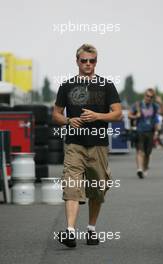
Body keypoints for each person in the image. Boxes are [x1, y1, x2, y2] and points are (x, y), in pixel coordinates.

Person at [52, 44, 122, 247]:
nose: (88, 64)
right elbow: (56, 114)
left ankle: (91, 230)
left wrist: (98, 116)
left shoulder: (106, 85)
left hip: (98, 144)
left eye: (92, 61)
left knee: (97, 188)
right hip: (74, 144)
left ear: (96, 62)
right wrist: (68, 121)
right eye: (84, 61)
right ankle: (70, 231)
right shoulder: (66, 86)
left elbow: (117, 113)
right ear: (77, 62)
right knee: (72, 186)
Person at [128, 88, 162, 179]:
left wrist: (161, 103)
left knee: (147, 153)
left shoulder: (155, 106)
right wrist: (136, 116)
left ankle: (145, 168)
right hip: (140, 131)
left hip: (150, 132)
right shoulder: (138, 104)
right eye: (147, 96)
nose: (149, 98)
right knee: (140, 151)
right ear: (144, 95)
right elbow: (129, 115)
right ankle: (139, 169)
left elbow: (162, 114)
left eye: (151, 97)